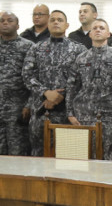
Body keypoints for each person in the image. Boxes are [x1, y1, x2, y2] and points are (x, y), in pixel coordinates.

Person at [67, 18, 112, 162]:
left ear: (108, 34)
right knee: (84, 160)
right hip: (83, 117)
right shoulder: (81, 59)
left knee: (110, 162)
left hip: (110, 117)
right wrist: (70, 113)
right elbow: (72, 87)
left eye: (101, 28)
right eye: (95, 28)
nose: (98, 30)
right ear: (90, 34)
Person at [22, 10, 85, 155]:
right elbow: (27, 74)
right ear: (48, 25)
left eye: (60, 20)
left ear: (67, 25)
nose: (56, 22)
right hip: (40, 109)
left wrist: (60, 97)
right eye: (53, 20)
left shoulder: (79, 49)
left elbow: (82, 79)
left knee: (66, 155)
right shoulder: (36, 48)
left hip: (68, 112)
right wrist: (46, 92)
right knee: (39, 154)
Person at [0, 12, 33, 156]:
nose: (4, 23)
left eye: (9, 20)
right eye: (2, 20)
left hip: (18, 108)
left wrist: (29, 104)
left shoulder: (28, 47)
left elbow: (33, 78)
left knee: (18, 151)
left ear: (17, 25)